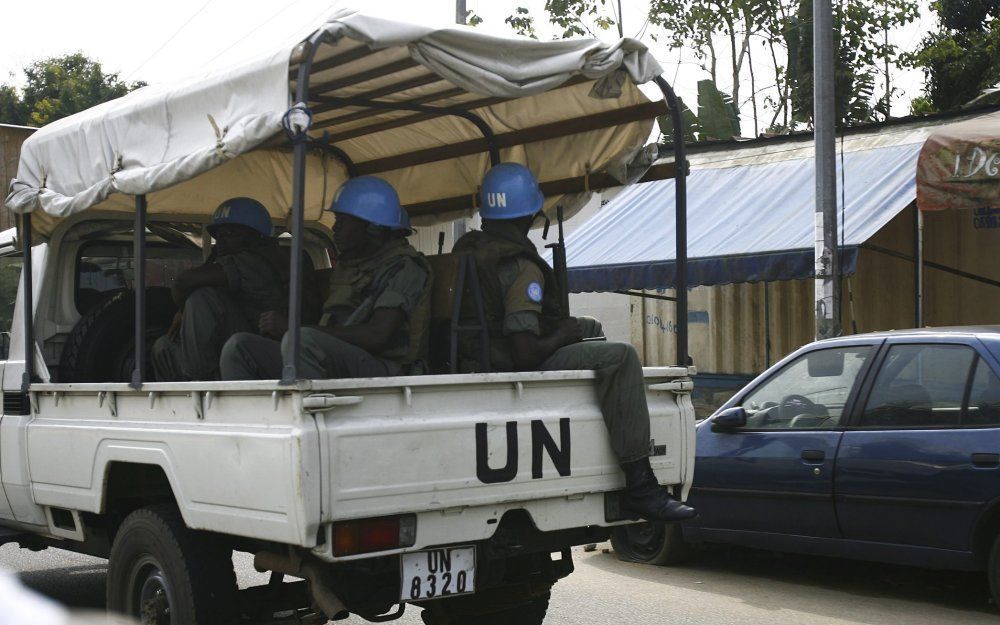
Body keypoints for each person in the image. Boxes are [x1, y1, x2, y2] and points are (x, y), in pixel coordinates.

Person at [453, 163, 696, 523]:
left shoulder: (468, 250)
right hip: (508, 358)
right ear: (529, 215)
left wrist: (569, 330)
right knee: (620, 357)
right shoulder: (520, 267)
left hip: (475, 350)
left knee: (590, 326)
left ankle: (603, 414)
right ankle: (641, 486)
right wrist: (562, 335)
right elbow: (524, 351)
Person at [220, 176, 432, 381]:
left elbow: (378, 335)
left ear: (372, 228)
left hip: (383, 369)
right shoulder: (352, 265)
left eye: (343, 221)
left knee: (300, 340)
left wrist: (296, 330)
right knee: (239, 347)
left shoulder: (405, 268)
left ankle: (309, 413)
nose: (335, 228)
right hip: (341, 359)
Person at [151, 197, 295, 381]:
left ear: (254, 237)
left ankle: (201, 384)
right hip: (227, 345)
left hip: (258, 348)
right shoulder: (229, 258)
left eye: (230, 234)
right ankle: (181, 405)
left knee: (201, 298)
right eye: (219, 236)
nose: (222, 242)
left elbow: (184, 282)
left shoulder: (260, 262)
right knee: (163, 347)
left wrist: (183, 308)